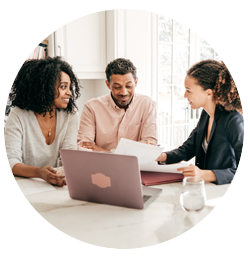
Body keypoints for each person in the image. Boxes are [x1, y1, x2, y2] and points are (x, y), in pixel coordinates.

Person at [156, 59, 244, 185]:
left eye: (189, 90)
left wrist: (205, 174)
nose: (185, 95)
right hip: (206, 189)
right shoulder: (206, 115)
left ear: (208, 93)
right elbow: (187, 149)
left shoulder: (234, 120)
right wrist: (162, 156)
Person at [4, 56, 81, 187]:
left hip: (57, 184)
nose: (69, 93)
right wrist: (39, 172)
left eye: (69, 87)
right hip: (24, 186)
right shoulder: (18, 115)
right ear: (44, 87)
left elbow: (69, 156)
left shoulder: (70, 115)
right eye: (63, 87)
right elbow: (10, 162)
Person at [77, 58, 157, 152]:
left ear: (136, 82)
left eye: (128, 86)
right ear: (108, 84)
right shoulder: (91, 107)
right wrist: (135, 149)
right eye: (117, 87)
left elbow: (150, 146)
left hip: (135, 166)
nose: (124, 92)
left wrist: (106, 151)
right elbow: (84, 147)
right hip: (101, 165)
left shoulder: (147, 105)